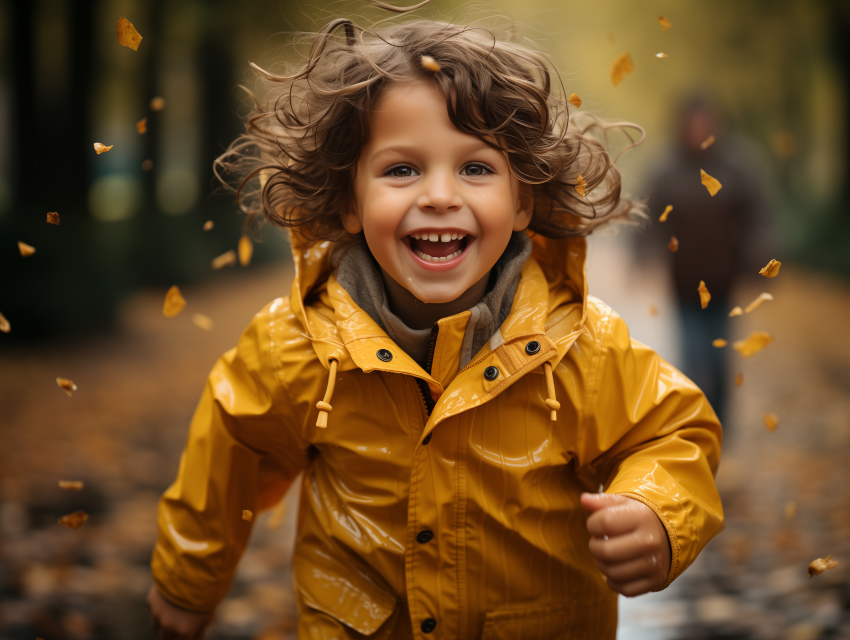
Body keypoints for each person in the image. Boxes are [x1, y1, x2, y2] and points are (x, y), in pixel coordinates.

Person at [146, 9, 724, 639]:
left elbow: (672, 432)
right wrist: (188, 579)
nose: (440, 195)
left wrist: (656, 512)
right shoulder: (299, 344)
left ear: (522, 198)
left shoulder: (578, 345)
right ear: (349, 201)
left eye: (475, 168)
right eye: (402, 169)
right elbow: (233, 449)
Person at [647, 97, 771, 426]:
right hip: (685, 282)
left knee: (718, 359)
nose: (698, 132)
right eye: (692, 125)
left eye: (705, 124)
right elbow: (650, 214)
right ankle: (695, 425)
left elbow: (758, 214)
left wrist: (760, 257)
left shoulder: (738, 165)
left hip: (723, 280)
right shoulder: (667, 169)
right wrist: (642, 254)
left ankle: (721, 423)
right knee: (691, 355)